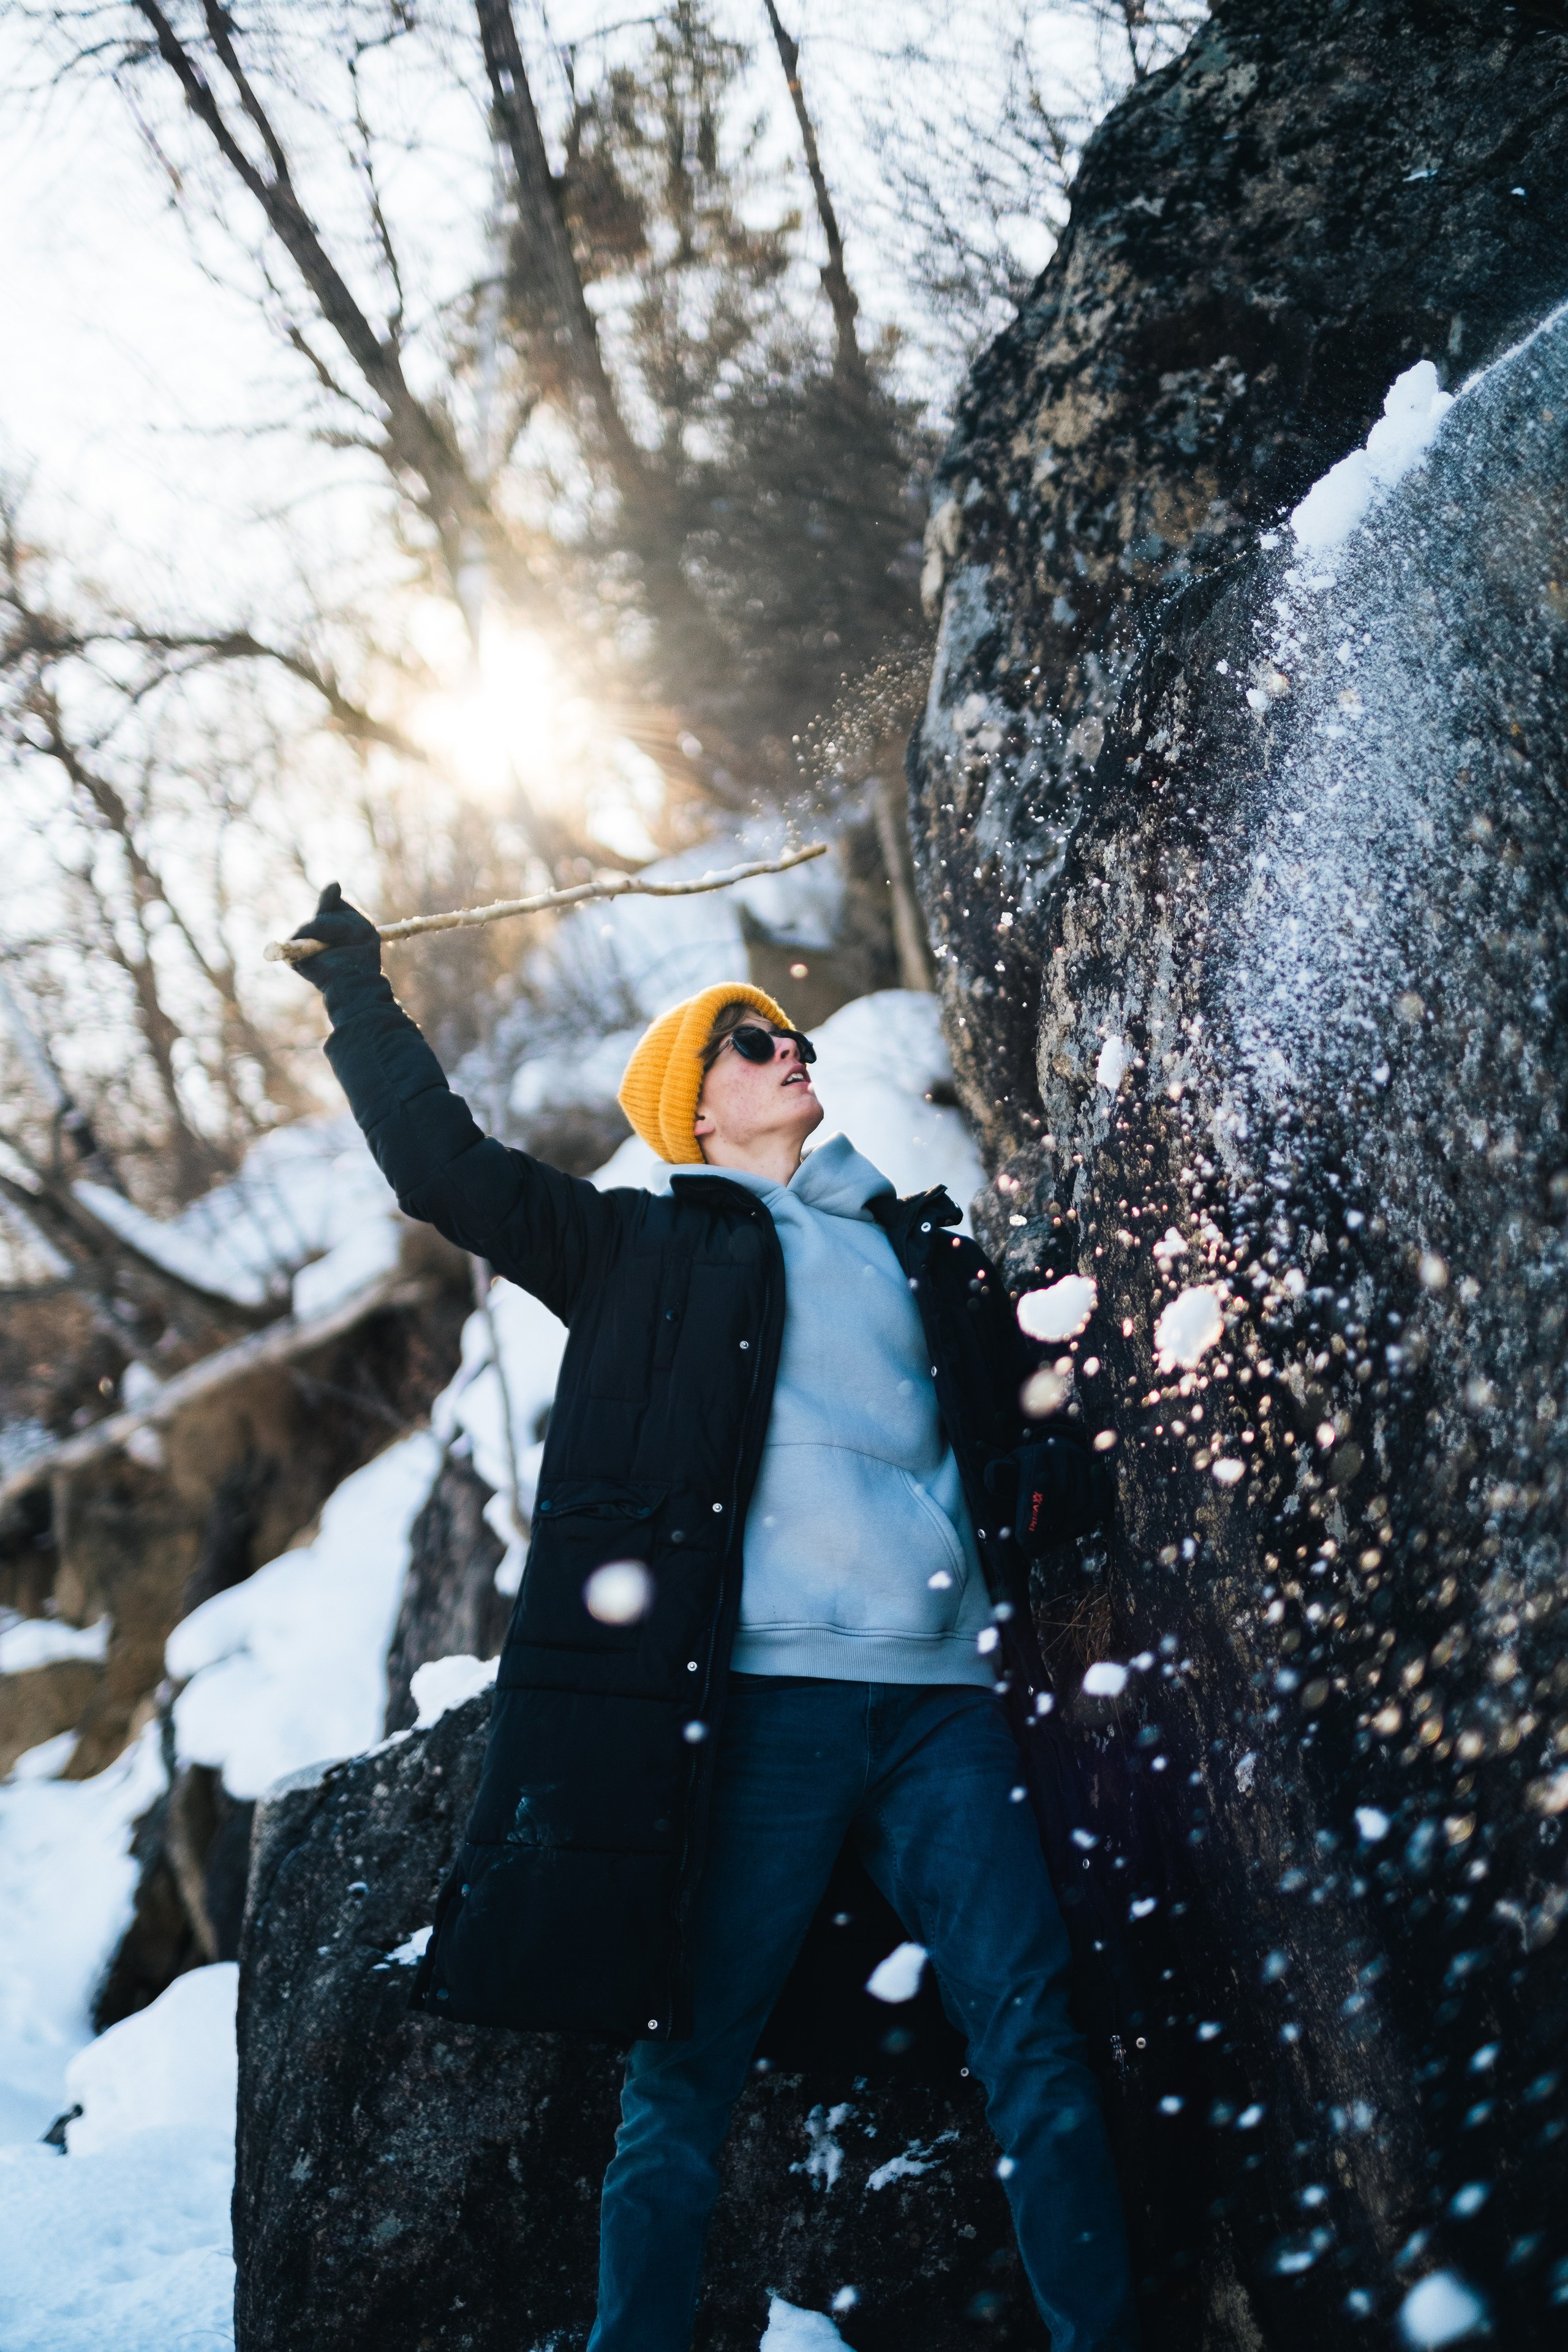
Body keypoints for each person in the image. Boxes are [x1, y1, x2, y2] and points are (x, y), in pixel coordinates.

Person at [288, 882, 1138, 2352]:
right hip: (761, 1716)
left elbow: (1032, 1415)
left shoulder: (916, 1250)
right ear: (691, 1103)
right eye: (750, 1041)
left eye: (789, 1032)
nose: (786, 1044)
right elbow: (444, 1170)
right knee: (679, 2075)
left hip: (943, 1707)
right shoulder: (636, 1254)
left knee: (1036, 2033)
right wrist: (354, 994)